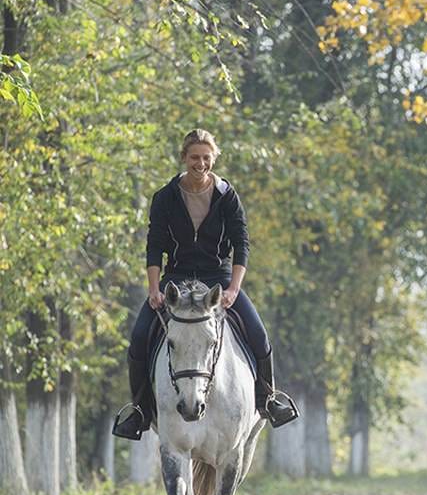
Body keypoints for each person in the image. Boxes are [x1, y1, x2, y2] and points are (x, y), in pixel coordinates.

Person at [113, 128, 297, 440]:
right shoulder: (165, 197)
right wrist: (154, 289)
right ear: (184, 158)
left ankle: (268, 399)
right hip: (176, 278)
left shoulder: (228, 196)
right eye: (194, 157)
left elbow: (241, 244)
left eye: (206, 157)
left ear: (214, 159)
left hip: (219, 278)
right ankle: (140, 411)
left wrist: (234, 289)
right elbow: (154, 245)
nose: (200, 163)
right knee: (140, 336)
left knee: (259, 335)